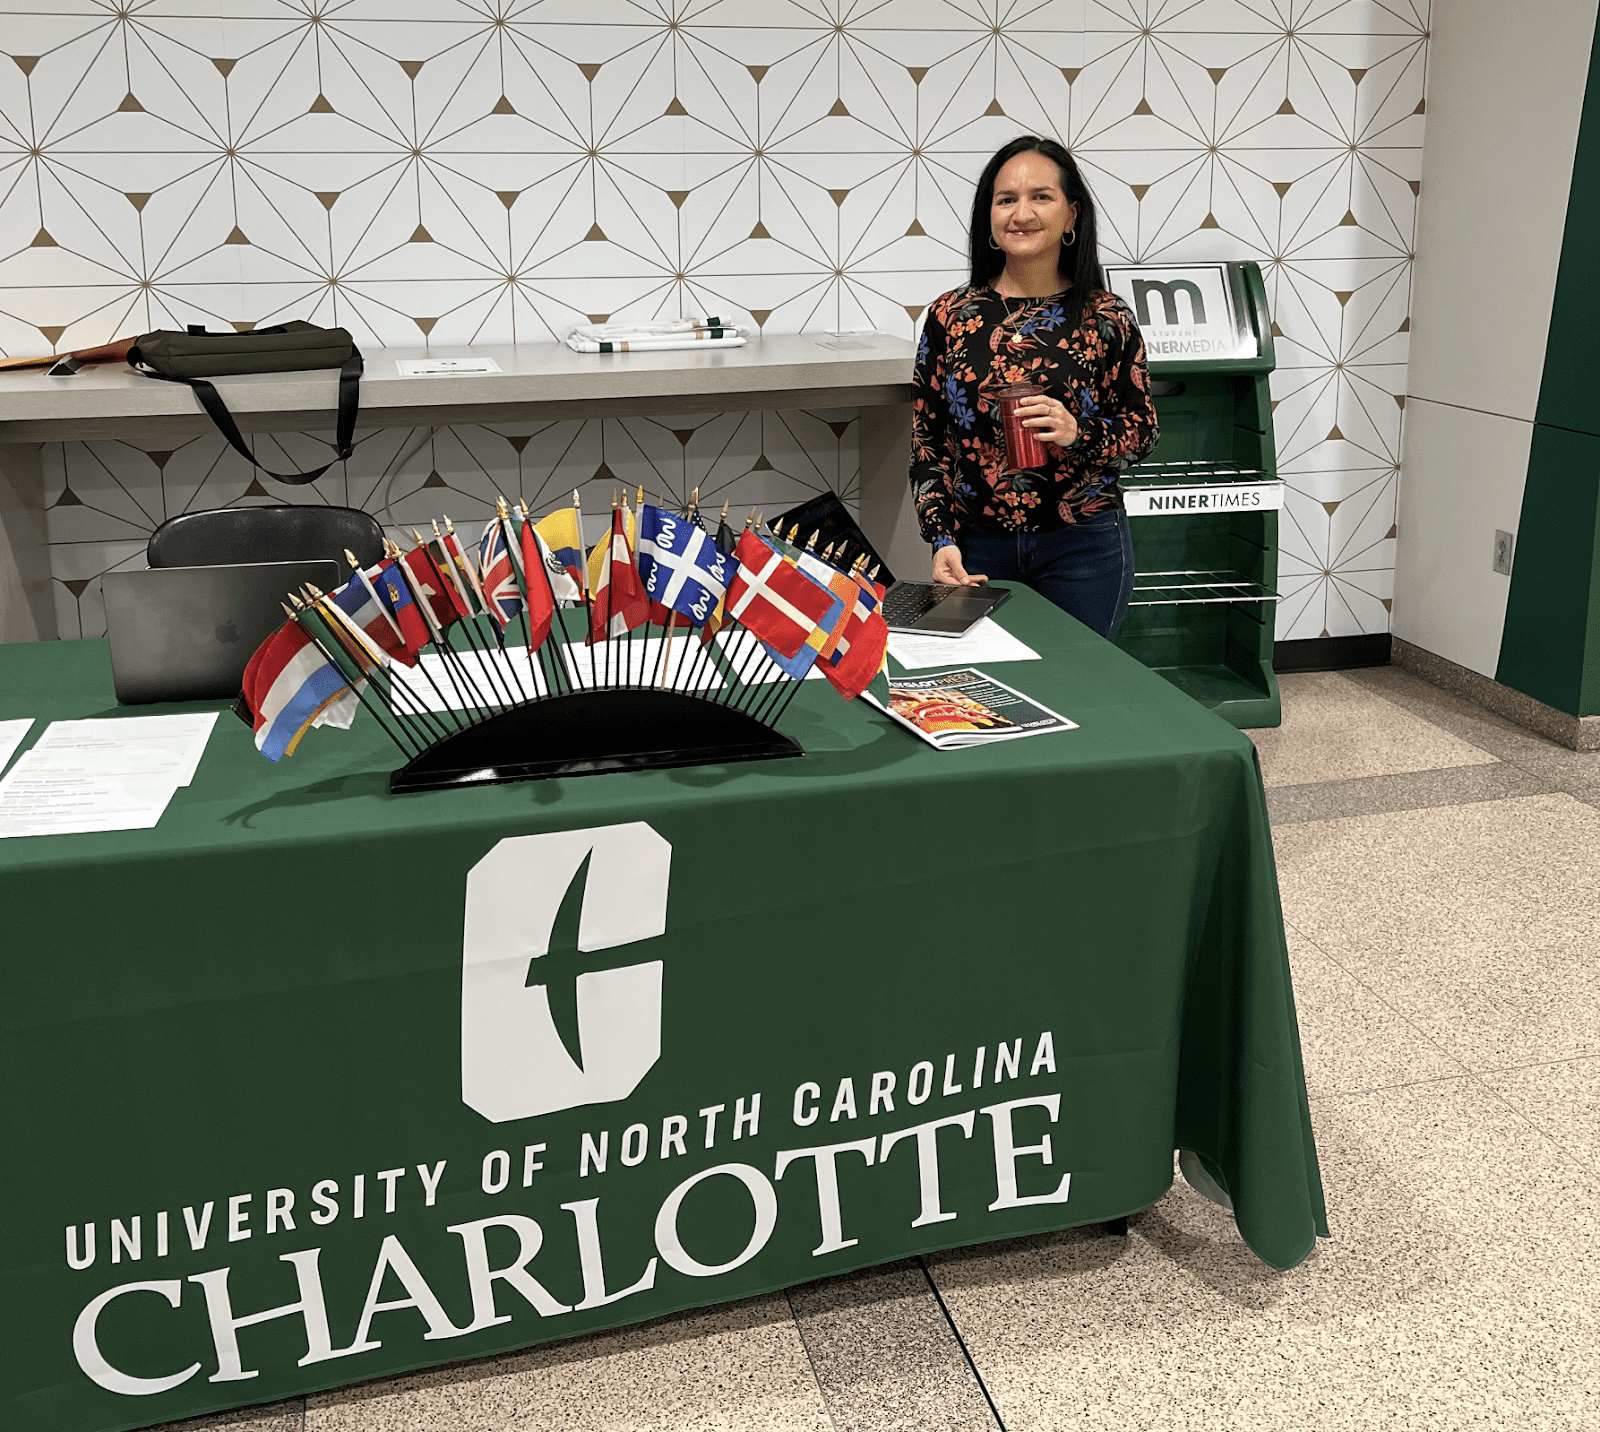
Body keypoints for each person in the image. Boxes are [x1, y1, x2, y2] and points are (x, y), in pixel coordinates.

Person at [909, 135, 1159, 640]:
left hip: (1083, 544)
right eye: (1006, 200)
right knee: (988, 692)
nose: (1021, 213)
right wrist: (940, 538)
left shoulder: (1106, 317)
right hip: (977, 547)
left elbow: (1144, 431)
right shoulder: (949, 316)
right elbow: (927, 445)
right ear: (989, 219)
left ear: (1072, 215)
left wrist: (1077, 432)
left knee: (1079, 689)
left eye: (1040, 197)